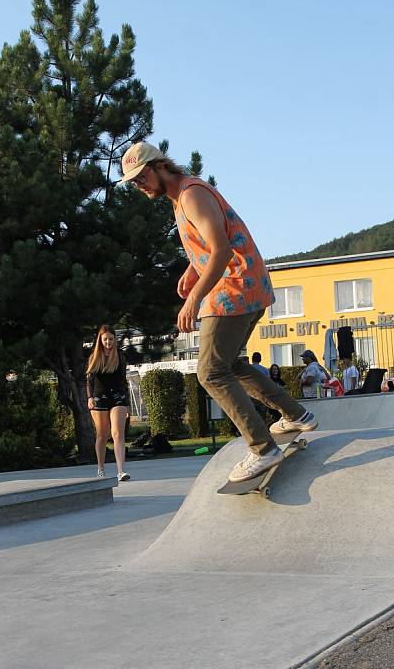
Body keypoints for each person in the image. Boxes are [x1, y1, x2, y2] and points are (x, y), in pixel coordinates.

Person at [120, 141, 318, 483]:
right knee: (231, 364)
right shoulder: (181, 197)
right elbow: (211, 246)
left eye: (141, 177)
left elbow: (222, 251)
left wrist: (195, 298)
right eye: (133, 182)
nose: (139, 185)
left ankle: (263, 448)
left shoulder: (191, 195)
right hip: (248, 286)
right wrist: (193, 270)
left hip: (235, 290)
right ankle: (297, 414)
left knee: (210, 371)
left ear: (159, 166)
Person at [86, 325, 130, 482]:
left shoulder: (119, 357)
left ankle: (121, 471)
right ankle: (101, 468)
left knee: (118, 434)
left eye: (111, 339)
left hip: (117, 397)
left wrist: (127, 403)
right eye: (105, 339)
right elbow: (90, 381)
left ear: (114, 340)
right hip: (99, 398)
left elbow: (123, 381)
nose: (108, 342)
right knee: (102, 435)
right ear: (100, 340)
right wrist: (90, 397)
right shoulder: (94, 357)